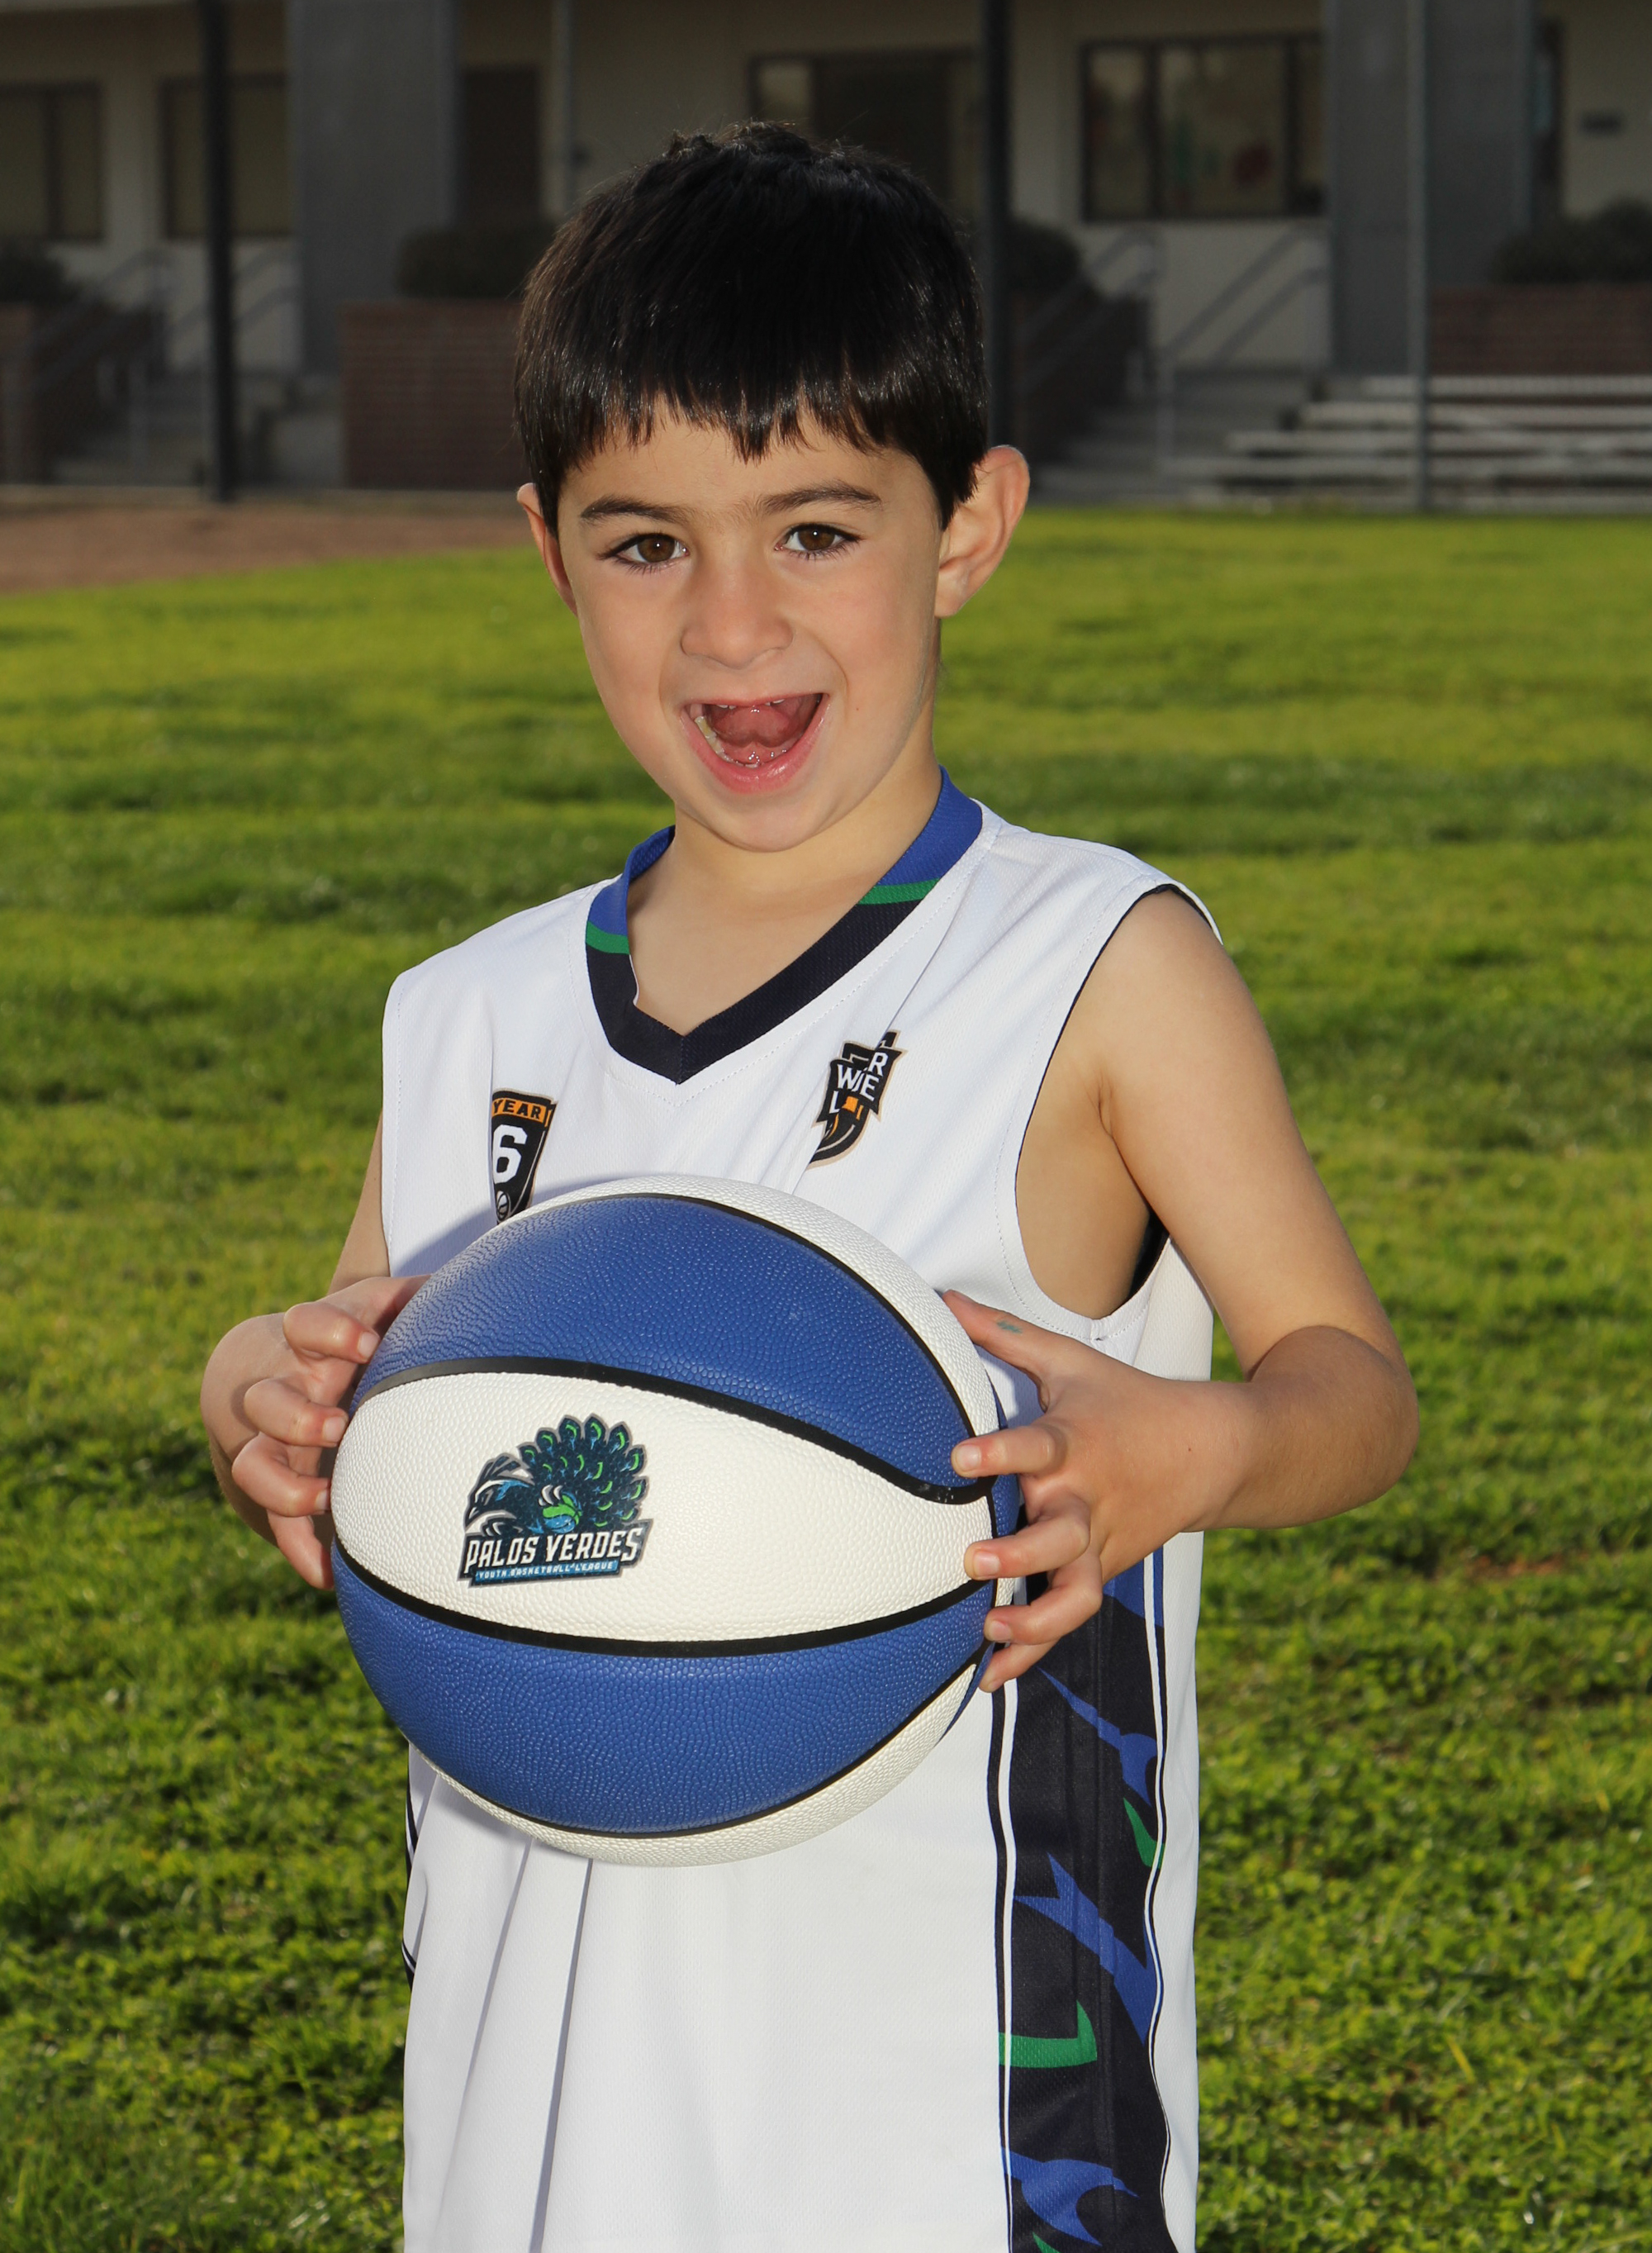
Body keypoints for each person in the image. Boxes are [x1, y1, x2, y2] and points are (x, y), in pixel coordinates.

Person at [199, 125, 1417, 2253]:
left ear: (970, 529)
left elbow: (1353, 1388)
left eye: (819, 528)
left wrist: (1195, 1447)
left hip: (941, 2102)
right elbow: (377, 1383)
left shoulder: (1093, 966)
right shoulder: (471, 1013)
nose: (733, 622)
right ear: (549, 551)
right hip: (532, 2086)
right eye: (645, 542)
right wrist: (263, 1393)